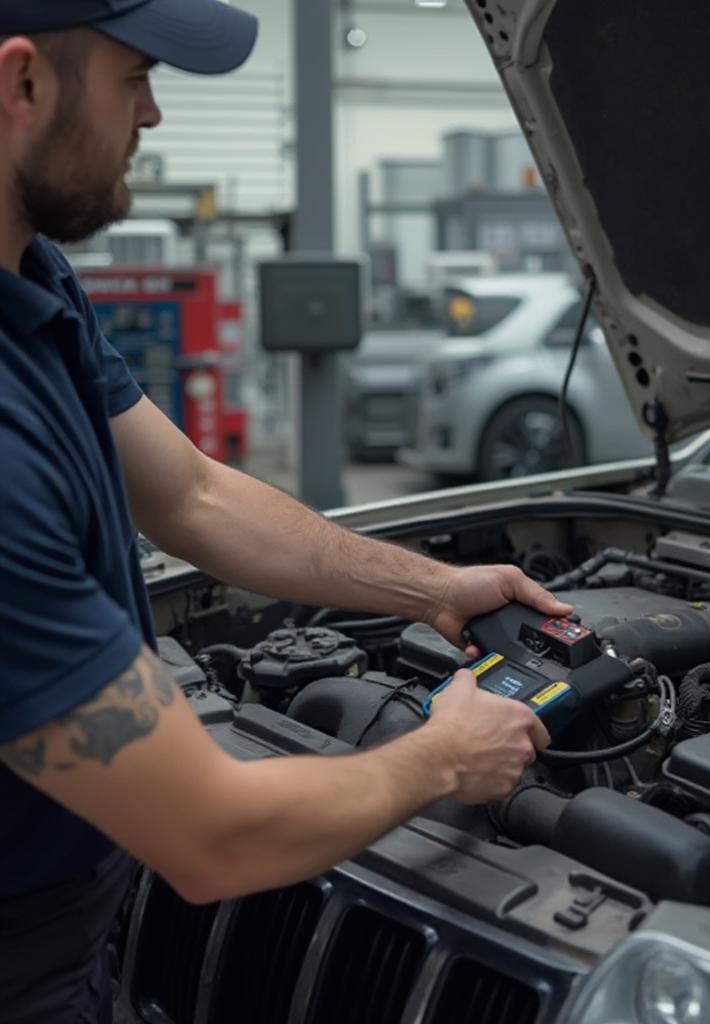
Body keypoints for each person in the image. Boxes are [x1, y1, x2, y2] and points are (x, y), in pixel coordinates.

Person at [0, 3, 568, 1021]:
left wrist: (433, 588)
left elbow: (195, 494)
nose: (154, 114)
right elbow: (212, 838)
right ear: (23, 83)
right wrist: (443, 752)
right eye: (134, 78)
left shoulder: (34, 287)